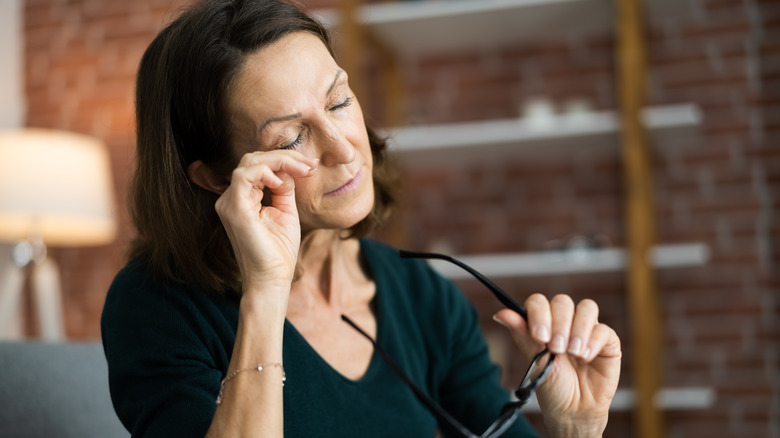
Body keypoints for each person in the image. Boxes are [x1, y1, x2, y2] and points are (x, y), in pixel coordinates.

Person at [101, 0, 622, 436]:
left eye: (339, 100)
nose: (343, 149)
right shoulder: (156, 306)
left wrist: (578, 428)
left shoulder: (424, 296)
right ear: (217, 177)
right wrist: (265, 292)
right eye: (291, 137)